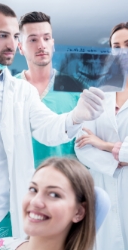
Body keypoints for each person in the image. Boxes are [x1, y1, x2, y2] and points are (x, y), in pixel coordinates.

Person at [0, 3, 104, 249]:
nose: (11, 45)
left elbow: (48, 127)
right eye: (2, 35)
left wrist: (76, 116)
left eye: (15, 36)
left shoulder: (21, 91)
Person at [75, 22, 128, 250]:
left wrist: (104, 144)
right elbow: (81, 144)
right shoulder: (100, 93)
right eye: (116, 46)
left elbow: (96, 142)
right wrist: (116, 162)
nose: (122, 51)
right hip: (103, 184)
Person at [16, 12, 81, 168]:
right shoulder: (10, 89)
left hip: (65, 180)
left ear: (52, 43)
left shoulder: (74, 87)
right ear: (20, 47)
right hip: (20, 183)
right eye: (33, 39)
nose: (41, 45)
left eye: (46, 38)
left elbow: (84, 141)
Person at [0, 157, 96, 250]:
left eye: (54, 194)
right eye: (33, 189)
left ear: (79, 212)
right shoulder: (1, 245)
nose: (35, 201)